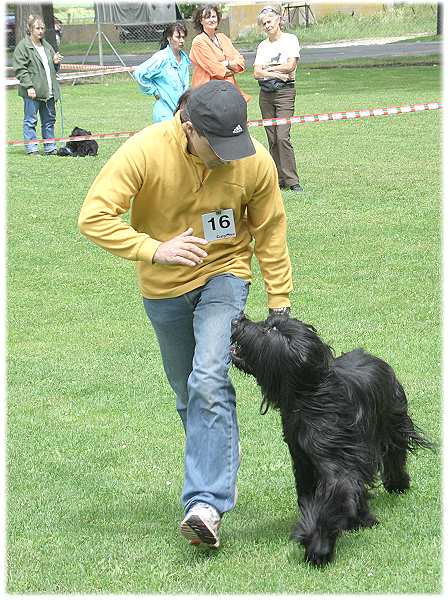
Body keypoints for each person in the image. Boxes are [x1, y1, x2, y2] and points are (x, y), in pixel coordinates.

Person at [78, 80, 292, 549]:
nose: (229, 157)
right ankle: (219, 456)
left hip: (225, 273)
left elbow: (270, 230)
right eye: (219, 148)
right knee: (187, 390)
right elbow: (93, 217)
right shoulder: (144, 151)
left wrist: (280, 301)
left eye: (236, 144)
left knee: (209, 376)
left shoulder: (253, 159)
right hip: (163, 285)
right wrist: (154, 248)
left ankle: (206, 503)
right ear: (189, 129)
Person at [253, 6, 303, 192]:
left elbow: (290, 66)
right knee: (272, 138)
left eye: (269, 21)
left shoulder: (290, 40)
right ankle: (278, 179)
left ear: (279, 20)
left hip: (284, 92)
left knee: (282, 136)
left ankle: (293, 181)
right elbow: (256, 72)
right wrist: (276, 73)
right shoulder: (262, 46)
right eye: (264, 23)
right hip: (266, 94)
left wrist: (270, 70)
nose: (267, 25)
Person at [12, 14, 63, 156]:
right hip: (32, 92)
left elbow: (53, 69)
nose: (40, 31)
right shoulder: (23, 47)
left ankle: (50, 147)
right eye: (37, 28)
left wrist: (56, 62)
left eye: (42, 28)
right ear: (30, 29)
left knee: (49, 121)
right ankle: (32, 148)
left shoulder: (47, 46)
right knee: (30, 120)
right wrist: (29, 86)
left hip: (49, 91)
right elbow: (20, 69)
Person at [189, 5, 250, 102]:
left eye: (213, 16)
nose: (211, 20)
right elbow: (216, 70)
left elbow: (240, 63)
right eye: (207, 17)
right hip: (208, 95)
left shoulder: (223, 38)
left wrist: (226, 64)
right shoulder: (198, 42)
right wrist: (231, 68)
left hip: (229, 90)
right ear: (201, 21)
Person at [133, 22, 190, 123]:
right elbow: (139, 73)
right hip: (164, 114)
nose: (181, 41)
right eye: (178, 37)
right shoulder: (161, 58)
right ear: (169, 38)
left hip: (180, 113)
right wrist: (154, 91)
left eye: (183, 37)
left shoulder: (184, 59)